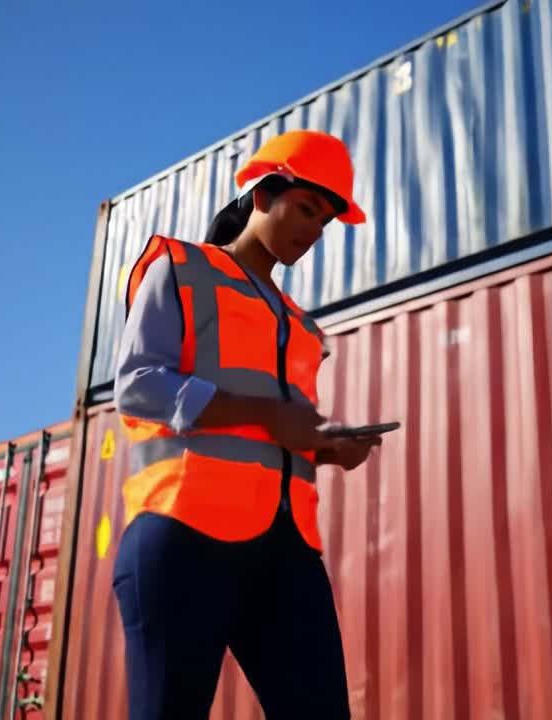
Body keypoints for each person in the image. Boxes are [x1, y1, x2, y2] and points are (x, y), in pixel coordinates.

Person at [111, 130, 382, 719]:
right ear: (263, 196)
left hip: (284, 551)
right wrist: (266, 414)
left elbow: (274, 442)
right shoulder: (182, 269)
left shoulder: (301, 327)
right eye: (305, 209)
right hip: (185, 537)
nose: (312, 230)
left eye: (325, 221)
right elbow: (135, 386)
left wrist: (328, 449)